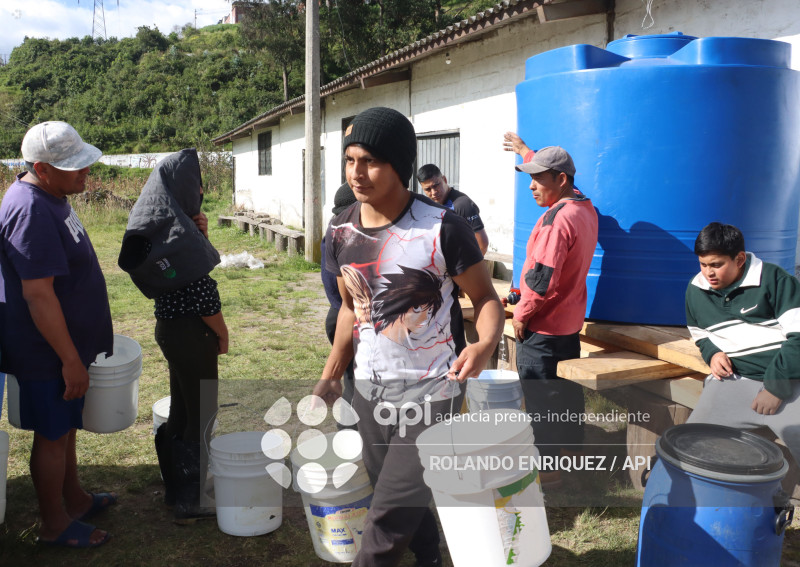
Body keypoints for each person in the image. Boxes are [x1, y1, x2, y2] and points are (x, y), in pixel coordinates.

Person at [314, 107, 505, 567]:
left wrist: (482, 345)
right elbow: (349, 311)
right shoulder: (341, 230)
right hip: (371, 389)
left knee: (387, 515)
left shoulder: (442, 227)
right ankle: (429, 556)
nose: (357, 172)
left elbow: (486, 300)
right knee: (392, 489)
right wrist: (332, 375)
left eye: (370, 161)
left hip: (433, 389)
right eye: (350, 160)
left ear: (400, 165)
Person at [0, 121, 114, 547]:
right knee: (51, 433)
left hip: (64, 345)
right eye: (73, 167)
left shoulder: (52, 195)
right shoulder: (30, 209)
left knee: (65, 426)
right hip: (45, 350)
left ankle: (75, 498)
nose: (84, 172)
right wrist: (68, 359)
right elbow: (38, 295)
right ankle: (54, 524)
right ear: (41, 168)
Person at [118, 149, 228, 523]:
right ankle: (190, 501)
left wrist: (199, 235)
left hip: (170, 329)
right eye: (195, 183)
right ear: (181, 186)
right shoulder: (176, 233)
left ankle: (177, 489)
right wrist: (222, 333)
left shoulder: (163, 226)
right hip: (192, 331)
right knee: (202, 413)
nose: (199, 189)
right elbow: (201, 294)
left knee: (184, 408)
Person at [510, 145, 598, 490]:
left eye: (537, 179)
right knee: (568, 394)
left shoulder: (554, 219)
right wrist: (524, 150)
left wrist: (522, 314)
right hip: (569, 323)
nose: (531, 186)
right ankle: (571, 454)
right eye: (529, 178)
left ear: (560, 180)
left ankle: (547, 473)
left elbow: (541, 279)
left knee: (541, 400)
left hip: (543, 326)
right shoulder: (584, 209)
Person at [685, 222, 800, 463]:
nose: (708, 273)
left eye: (717, 264)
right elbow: (699, 332)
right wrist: (712, 353)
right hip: (734, 382)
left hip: (789, 383)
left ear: (739, 259)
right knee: (691, 445)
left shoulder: (775, 280)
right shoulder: (696, 289)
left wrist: (775, 389)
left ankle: (778, 498)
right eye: (703, 264)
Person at [320, 182, 358, 421]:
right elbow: (351, 303)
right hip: (346, 316)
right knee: (357, 382)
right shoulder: (347, 238)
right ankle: (351, 432)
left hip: (337, 315)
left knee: (352, 378)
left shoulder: (334, 233)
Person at [416, 164, 489, 255]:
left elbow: (482, 245)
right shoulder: (433, 205)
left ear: (444, 180)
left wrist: (466, 268)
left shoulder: (463, 205)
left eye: (436, 185)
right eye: (428, 189)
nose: (434, 192)